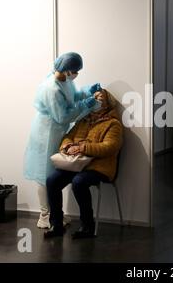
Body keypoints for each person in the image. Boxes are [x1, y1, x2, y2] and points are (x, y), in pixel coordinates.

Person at [24, 52, 102, 229]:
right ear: (67, 70)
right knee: (43, 175)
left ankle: (54, 215)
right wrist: (88, 104)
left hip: (56, 131)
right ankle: (45, 215)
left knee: (52, 173)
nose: (76, 75)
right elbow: (63, 116)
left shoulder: (64, 80)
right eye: (75, 71)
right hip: (46, 133)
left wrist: (87, 91)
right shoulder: (51, 88)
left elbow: (73, 95)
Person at [45, 89, 123, 239]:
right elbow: (68, 136)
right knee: (52, 180)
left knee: (79, 182)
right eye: (95, 99)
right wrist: (68, 147)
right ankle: (57, 224)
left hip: (99, 166)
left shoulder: (113, 124)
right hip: (77, 164)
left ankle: (87, 226)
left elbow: (110, 147)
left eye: (100, 100)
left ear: (107, 104)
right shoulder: (83, 120)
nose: (96, 103)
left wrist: (82, 148)